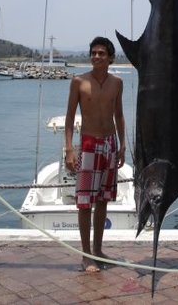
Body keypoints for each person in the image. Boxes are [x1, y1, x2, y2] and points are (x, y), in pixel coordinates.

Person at [64, 36, 126, 273]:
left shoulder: (117, 83)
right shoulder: (79, 82)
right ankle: (86, 254)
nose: (96, 57)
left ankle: (98, 250)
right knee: (84, 202)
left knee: (102, 200)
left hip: (110, 143)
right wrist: (69, 149)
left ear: (110, 58)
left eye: (101, 53)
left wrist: (122, 145)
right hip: (89, 144)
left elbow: (119, 115)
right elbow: (70, 117)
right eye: (93, 53)